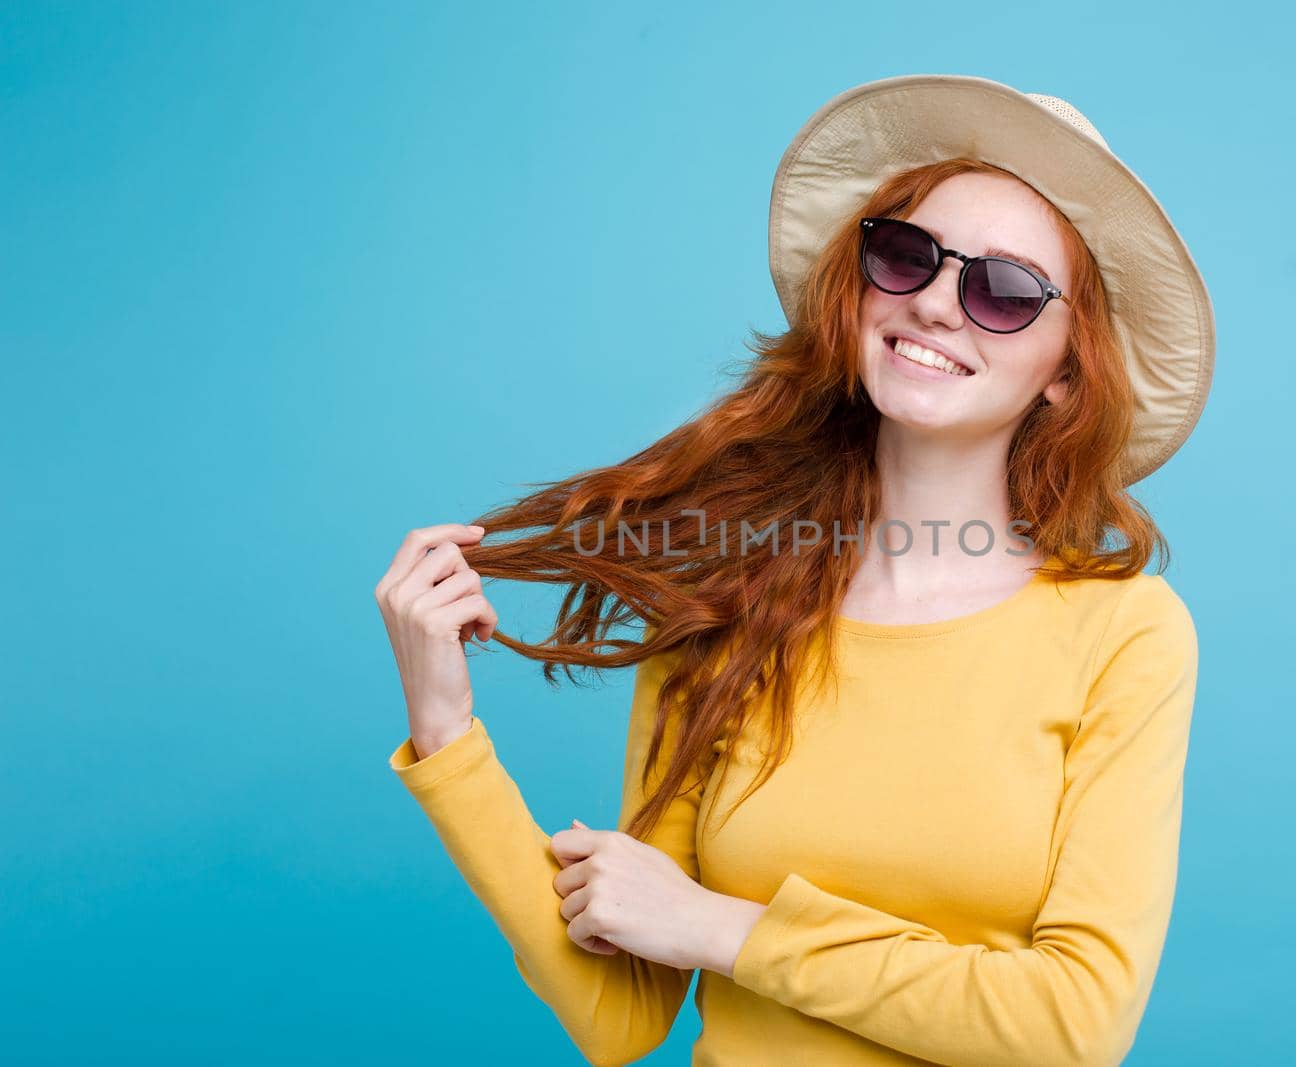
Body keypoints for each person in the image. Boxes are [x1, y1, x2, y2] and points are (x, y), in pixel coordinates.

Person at [373, 73, 1215, 1067]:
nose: (940, 303)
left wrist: (722, 926)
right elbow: (620, 1012)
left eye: (1002, 289)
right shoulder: (730, 598)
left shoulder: (1126, 634)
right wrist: (446, 732)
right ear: (861, 289)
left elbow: (1073, 1026)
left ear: (1066, 367)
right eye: (908, 257)